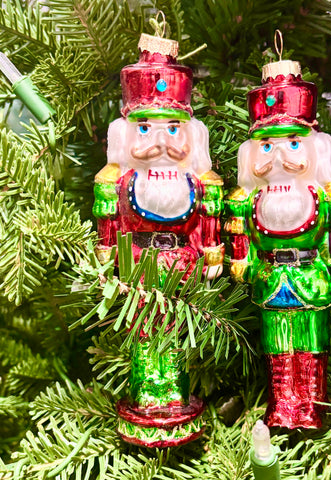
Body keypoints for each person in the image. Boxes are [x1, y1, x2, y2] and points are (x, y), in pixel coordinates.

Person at [93, 32, 223, 447]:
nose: (161, 142)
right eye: (146, 128)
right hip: (138, 263)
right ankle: (147, 398)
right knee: (143, 330)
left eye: (173, 128)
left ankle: (176, 396)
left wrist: (211, 252)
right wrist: (107, 257)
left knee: (178, 331)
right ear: (125, 134)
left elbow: (206, 223)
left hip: (183, 265)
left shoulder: (198, 183)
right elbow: (111, 226)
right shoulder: (120, 181)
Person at [226, 58, 331, 429]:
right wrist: (243, 263)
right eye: (267, 146)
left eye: (294, 143)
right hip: (270, 280)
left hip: (311, 277)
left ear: (316, 148)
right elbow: (242, 238)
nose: (280, 157)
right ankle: (282, 404)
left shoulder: (327, 196)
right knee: (276, 344)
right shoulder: (249, 199)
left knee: (312, 342)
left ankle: (311, 406)